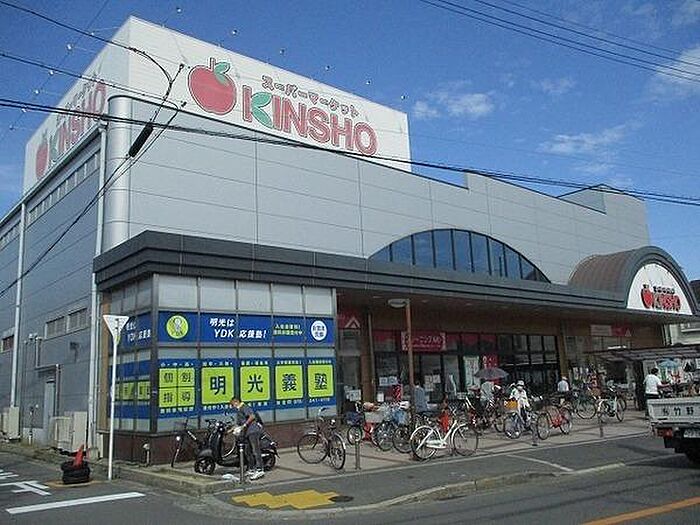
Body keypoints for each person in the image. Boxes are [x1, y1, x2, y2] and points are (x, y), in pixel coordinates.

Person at [229, 396, 264, 480]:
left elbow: (252, 416)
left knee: (255, 450)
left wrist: (244, 425)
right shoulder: (239, 411)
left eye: (232, 404)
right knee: (247, 451)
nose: (232, 406)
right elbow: (238, 424)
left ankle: (260, 469)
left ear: (236, 402)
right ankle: (251, 469)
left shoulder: (244, 407)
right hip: (247, 433)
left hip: (253, 431)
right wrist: (229, 430)